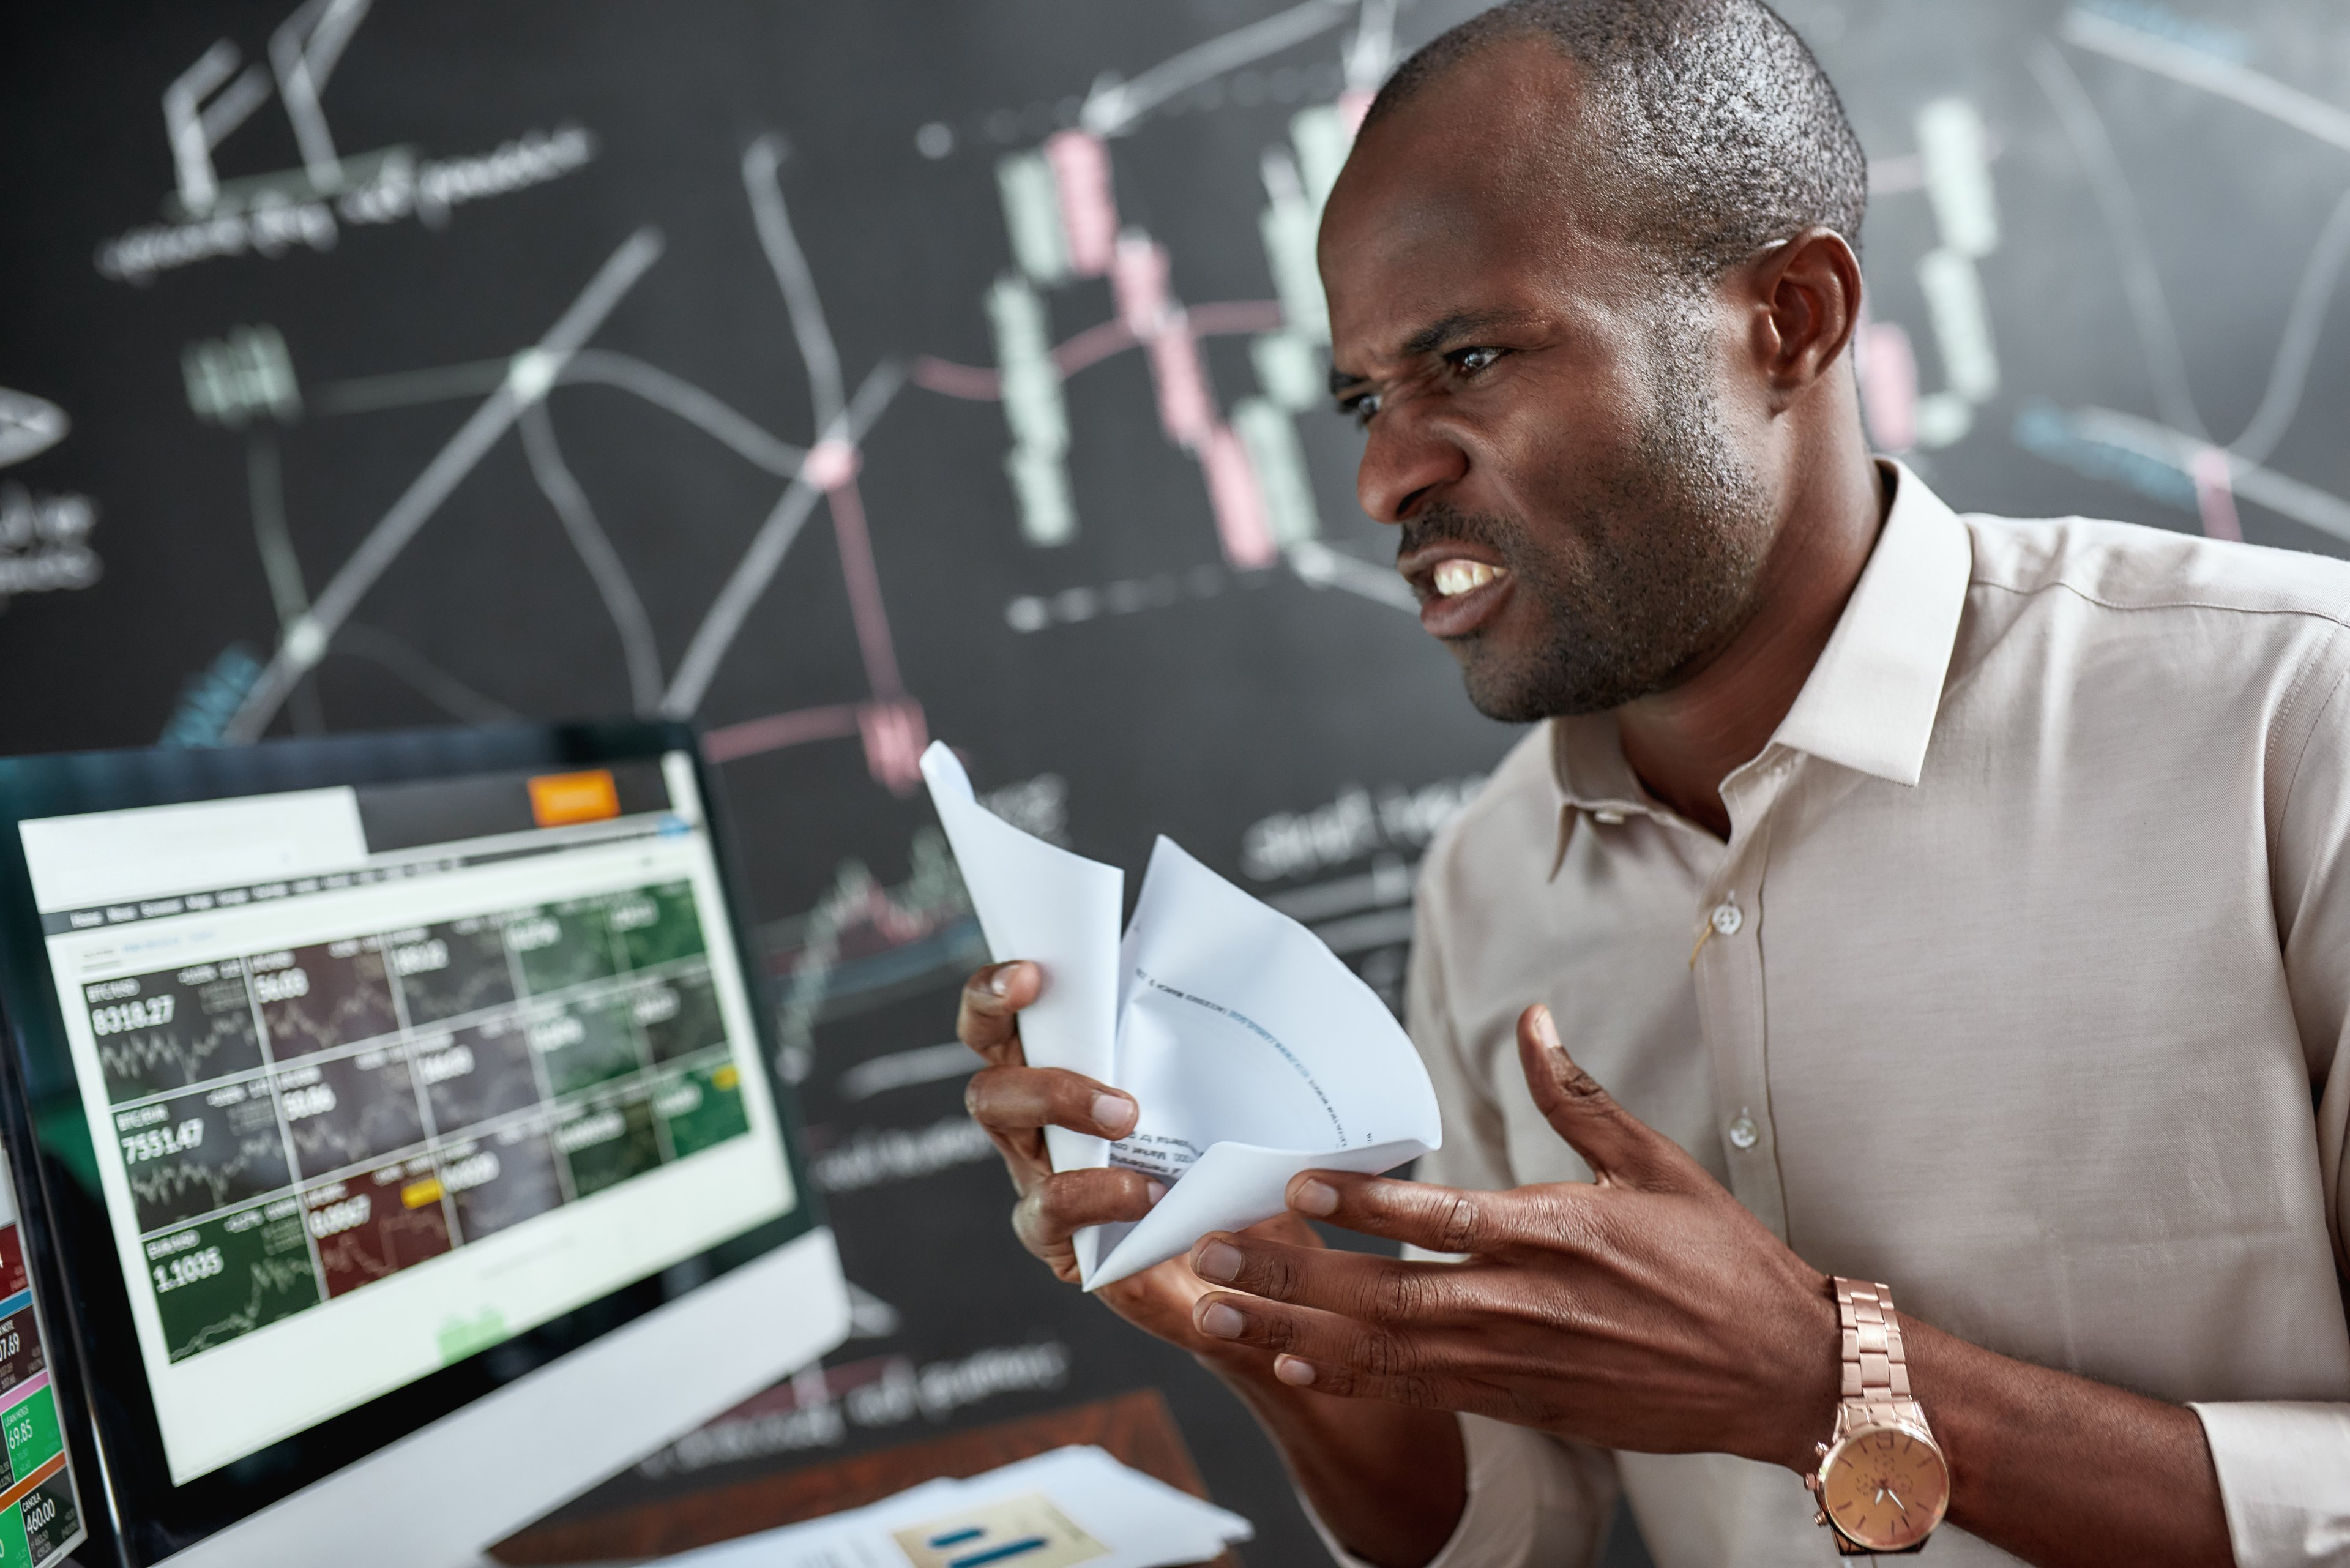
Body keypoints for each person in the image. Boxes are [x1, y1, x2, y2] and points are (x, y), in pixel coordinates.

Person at [956, 2, 2350, 1563]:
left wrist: (1819, 1382)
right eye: (1365, 402)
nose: (1383, 477)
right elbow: (1504, 1528)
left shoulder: (2294, 722)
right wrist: (1238, 1297)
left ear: (1793, 320)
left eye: (1467, 359)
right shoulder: (1489, 891)